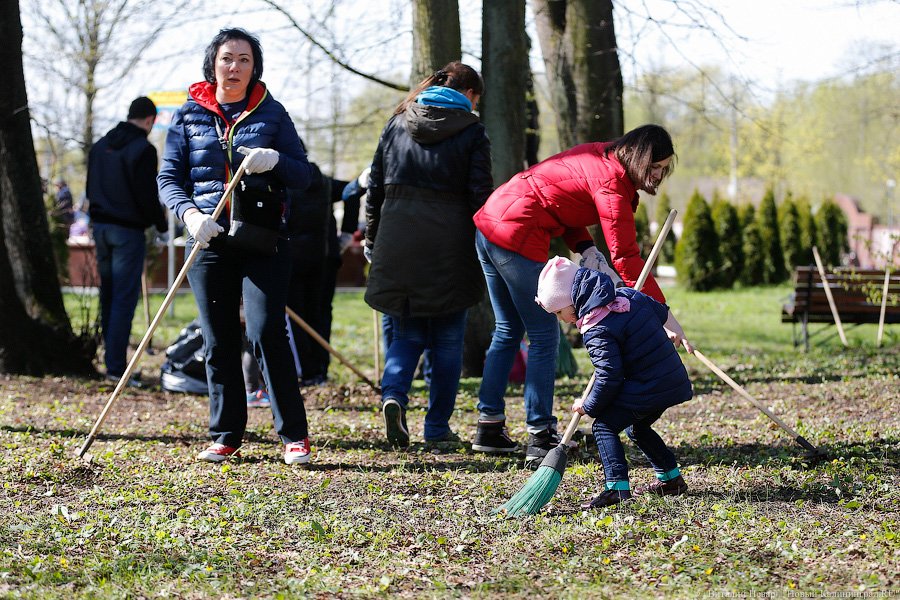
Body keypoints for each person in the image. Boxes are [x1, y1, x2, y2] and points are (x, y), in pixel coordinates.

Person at [471, 124, 690, 466]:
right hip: (516, 231)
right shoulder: (612, 183)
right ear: (635, 157)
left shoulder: (596, 156)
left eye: (663, 169)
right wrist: (663, 313)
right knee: (545, 335)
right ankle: (540, 435)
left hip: (492, 221)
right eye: (653, 167)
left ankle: (489, 427)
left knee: (508, 330)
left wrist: (585, 247)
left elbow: (560, 202)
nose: (658, 176)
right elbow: (627, 257)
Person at [157, 27, 314, 465]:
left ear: (254, 67)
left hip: (264, 239)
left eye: (245, 60)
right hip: (208, 238)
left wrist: (278, 160)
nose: (235, 67)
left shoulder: (273, 113)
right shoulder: (187, 116)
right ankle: (226, 434)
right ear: (213, 63)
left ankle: (294, 436)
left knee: (265, 331)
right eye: (228, 58)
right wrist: (189, 214)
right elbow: (168, 179)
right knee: (218, 339)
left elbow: (304, 176)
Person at [364, 61, 492, 448]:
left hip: (398, 241)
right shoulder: (472, 131)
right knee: (448, 340)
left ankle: (394, 396)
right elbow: (480, 195)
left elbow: (375, 188)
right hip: (450, 246)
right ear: (469, 94)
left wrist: (373, 239)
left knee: (406, 332)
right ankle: (436, 427)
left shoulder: (396, 123)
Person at [535, 256, 694, 508]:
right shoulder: (628, 296)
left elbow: (609, 376)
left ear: (572, 301)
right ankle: (670, 480)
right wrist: (672, 330)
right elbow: (661, 311)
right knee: (637, 428)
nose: (562, 319)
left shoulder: (597, 328)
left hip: (649, 384)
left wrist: (589, 405)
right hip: (670, 379)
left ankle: (616, 489)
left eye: (559, 312)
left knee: (604, 426)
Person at [86, 96, 168, 387]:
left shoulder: (100, 146)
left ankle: (111, 362)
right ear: (150, 120)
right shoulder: (142, 149)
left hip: (101, 228)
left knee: (109, 297)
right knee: (122, 300)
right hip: (127, 231)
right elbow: (146, 194)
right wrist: (161, 224)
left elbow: (89, 188)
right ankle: (117, 367)